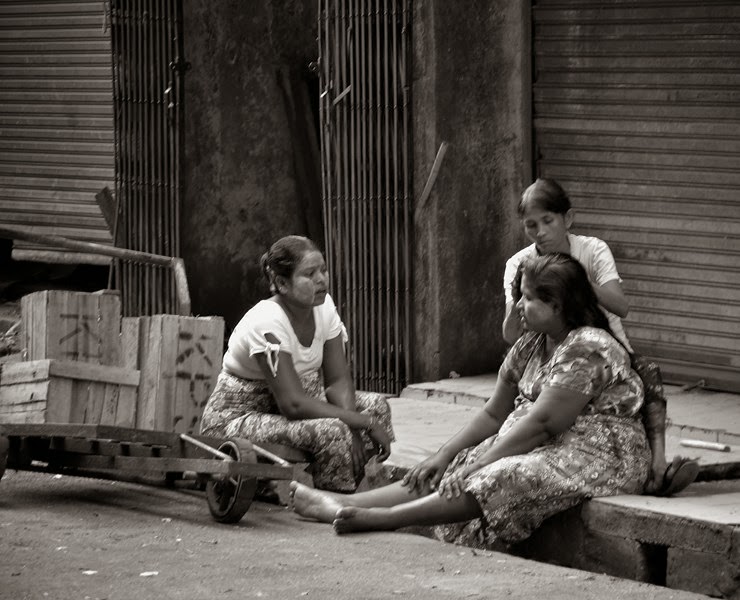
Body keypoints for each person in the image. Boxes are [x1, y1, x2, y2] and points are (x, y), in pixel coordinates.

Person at [290, 253, 651, 545]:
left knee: (503, 473)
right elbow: (494, 413)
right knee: (459, 460)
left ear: (557, 305)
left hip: (599, 456)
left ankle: (383, 518)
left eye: (528, 298)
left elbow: (542, 424)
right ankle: (344, 503)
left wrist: (477, 466)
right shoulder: (531, 344)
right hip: (547, 442)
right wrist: (444, 454)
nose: (519, 306)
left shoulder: (588, 347)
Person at [501, 178, 697, 496]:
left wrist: (573, 278)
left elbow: (621, 306)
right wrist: (516, 297)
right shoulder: (520, 264)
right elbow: (510, 334)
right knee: (521, 393)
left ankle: (658, 466)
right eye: (531, 225)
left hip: (604, 346)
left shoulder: (592, 250)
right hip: (553, 349)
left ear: (568, 219)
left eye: (548, 221)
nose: (541, 232)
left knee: (647, 372)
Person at [200, 235, 394, 492]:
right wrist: (361, 422)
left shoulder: (324, 307)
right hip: (239, 418)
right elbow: (292, 404)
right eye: (309, 274)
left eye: (323, 270)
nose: (321, 279)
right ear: (282, 283)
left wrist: (356, 427)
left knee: (377, 407)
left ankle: (350, 490)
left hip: (290, 408)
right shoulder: (266, 322)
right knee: (332, 430)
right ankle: (331, 500)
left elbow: (337, 381)